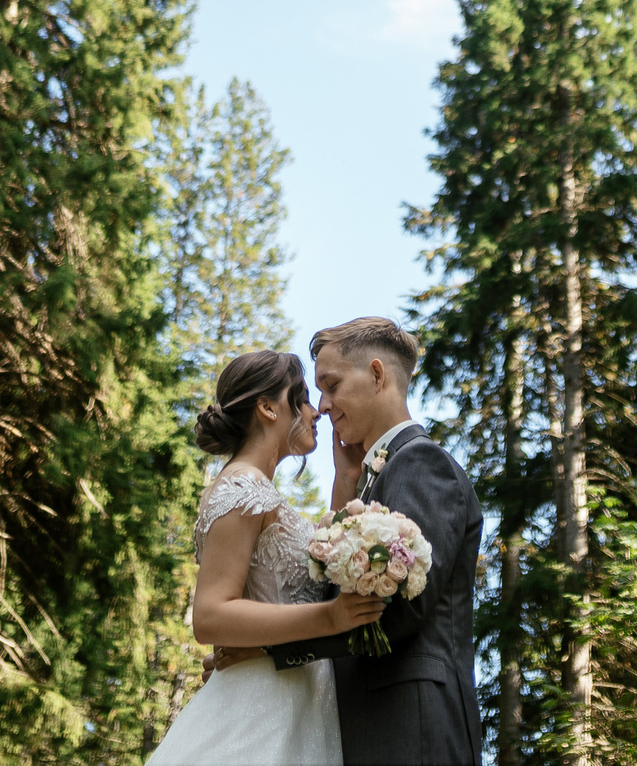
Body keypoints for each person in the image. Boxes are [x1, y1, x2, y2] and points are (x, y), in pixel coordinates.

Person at [260, 317, 485, 766]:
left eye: (332, 385)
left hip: (411, 723)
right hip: (373, 723)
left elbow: (400, 608)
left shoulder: (420, 462)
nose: (321, 406)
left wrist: (264, 653)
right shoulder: (377, 474)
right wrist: (347, 479)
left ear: (378, 375)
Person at [148, 350, 383, 766]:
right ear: (268, 407)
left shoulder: (261, 493)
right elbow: (211, 615)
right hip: (258, 711)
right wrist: (331, 617)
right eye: (304, 398)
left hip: (298, 707)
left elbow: (299, 584)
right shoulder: (242, 489)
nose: (317, 412)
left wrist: (346, 478)